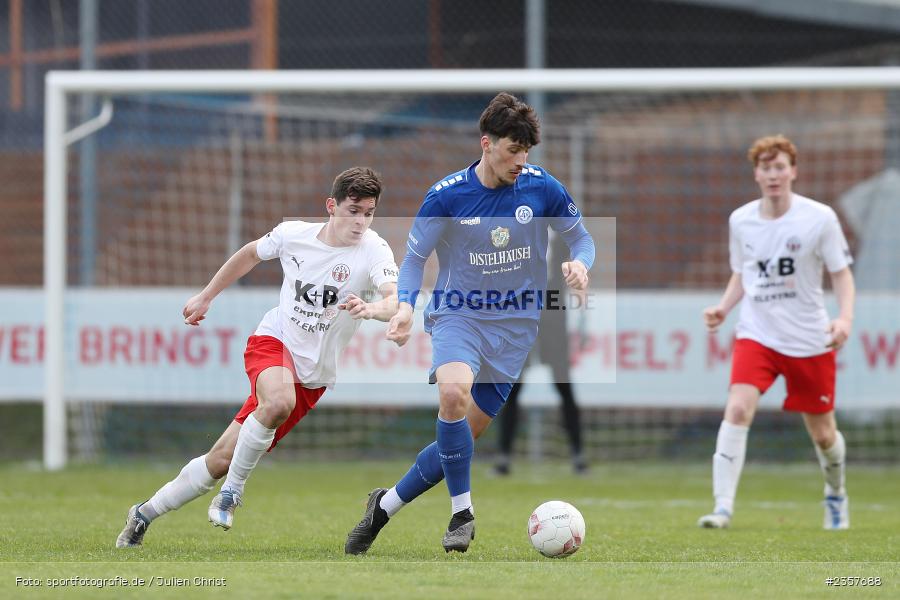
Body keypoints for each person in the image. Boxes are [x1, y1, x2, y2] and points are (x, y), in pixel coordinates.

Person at [345, 92, 595, 555]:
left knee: (457, 442)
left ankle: (383, 508)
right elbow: (416, 259)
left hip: (518, 327)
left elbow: (581, 238)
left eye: (526, 152)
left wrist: (581, 264)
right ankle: (463, 512)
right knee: (453, 392)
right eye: (512, 151)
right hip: (459, 312)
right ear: (486, 143)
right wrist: (403, 306)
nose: (521, 161)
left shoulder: (541, 187)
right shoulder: (447, 195)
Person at [116, 167, 399, 547]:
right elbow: (250, 254)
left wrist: (373, 309)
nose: (360, 222)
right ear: (331, 206)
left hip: (312, 377)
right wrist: (206, 296)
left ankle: (143, 513)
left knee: (219, 458)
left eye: (369, 213)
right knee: (279, 400)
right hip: (272, 342)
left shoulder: (374, 249)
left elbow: (392, 298)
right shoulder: (293, 235)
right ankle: (232, 492)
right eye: (353, 210)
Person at [697, 135, 855, 530]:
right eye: (766, 168)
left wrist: (845, 319)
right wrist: (723, 307)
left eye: (780, 167)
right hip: (758, 334)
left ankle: (835, 494)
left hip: (809, 338)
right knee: (737, 408)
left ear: (793, 171)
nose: (773, 175)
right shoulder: (741, 220)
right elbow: (743, 272)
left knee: (823, 434)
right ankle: (722, 508)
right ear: (756, 174)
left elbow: (841, 274)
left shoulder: (819, 218)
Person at [494, 231, 587, 476]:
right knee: (513, 387)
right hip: (522, 319)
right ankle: (503, 456)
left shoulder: (562, 238)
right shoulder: (515, 236)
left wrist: (583, 317)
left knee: (564, 385)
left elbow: (578, 273)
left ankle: (578, 454)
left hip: (554, 320)